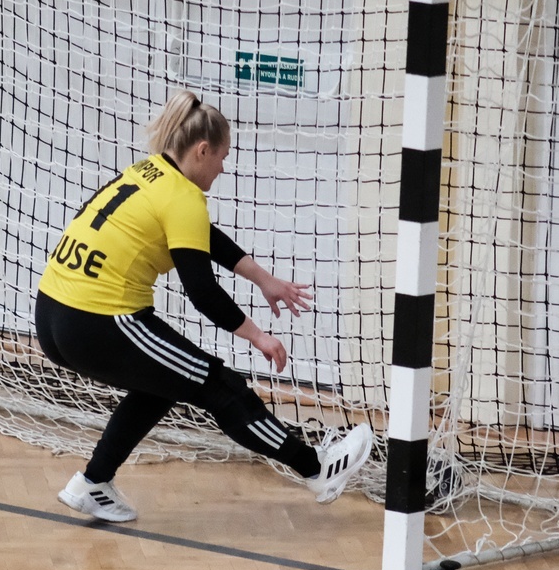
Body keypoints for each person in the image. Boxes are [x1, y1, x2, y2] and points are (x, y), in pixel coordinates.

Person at [35, 88, 373, 522]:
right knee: (219, 386)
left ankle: (93, 483)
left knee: (164, 382)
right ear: (202, 150)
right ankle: (317, 469)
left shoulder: (147, 172)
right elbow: (202, 292)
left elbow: (202, 238)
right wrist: (258, 336)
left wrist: (263, 279)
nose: (223, 167)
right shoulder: (183, 197)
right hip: (99, 320)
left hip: (53, 311)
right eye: (222, 157)